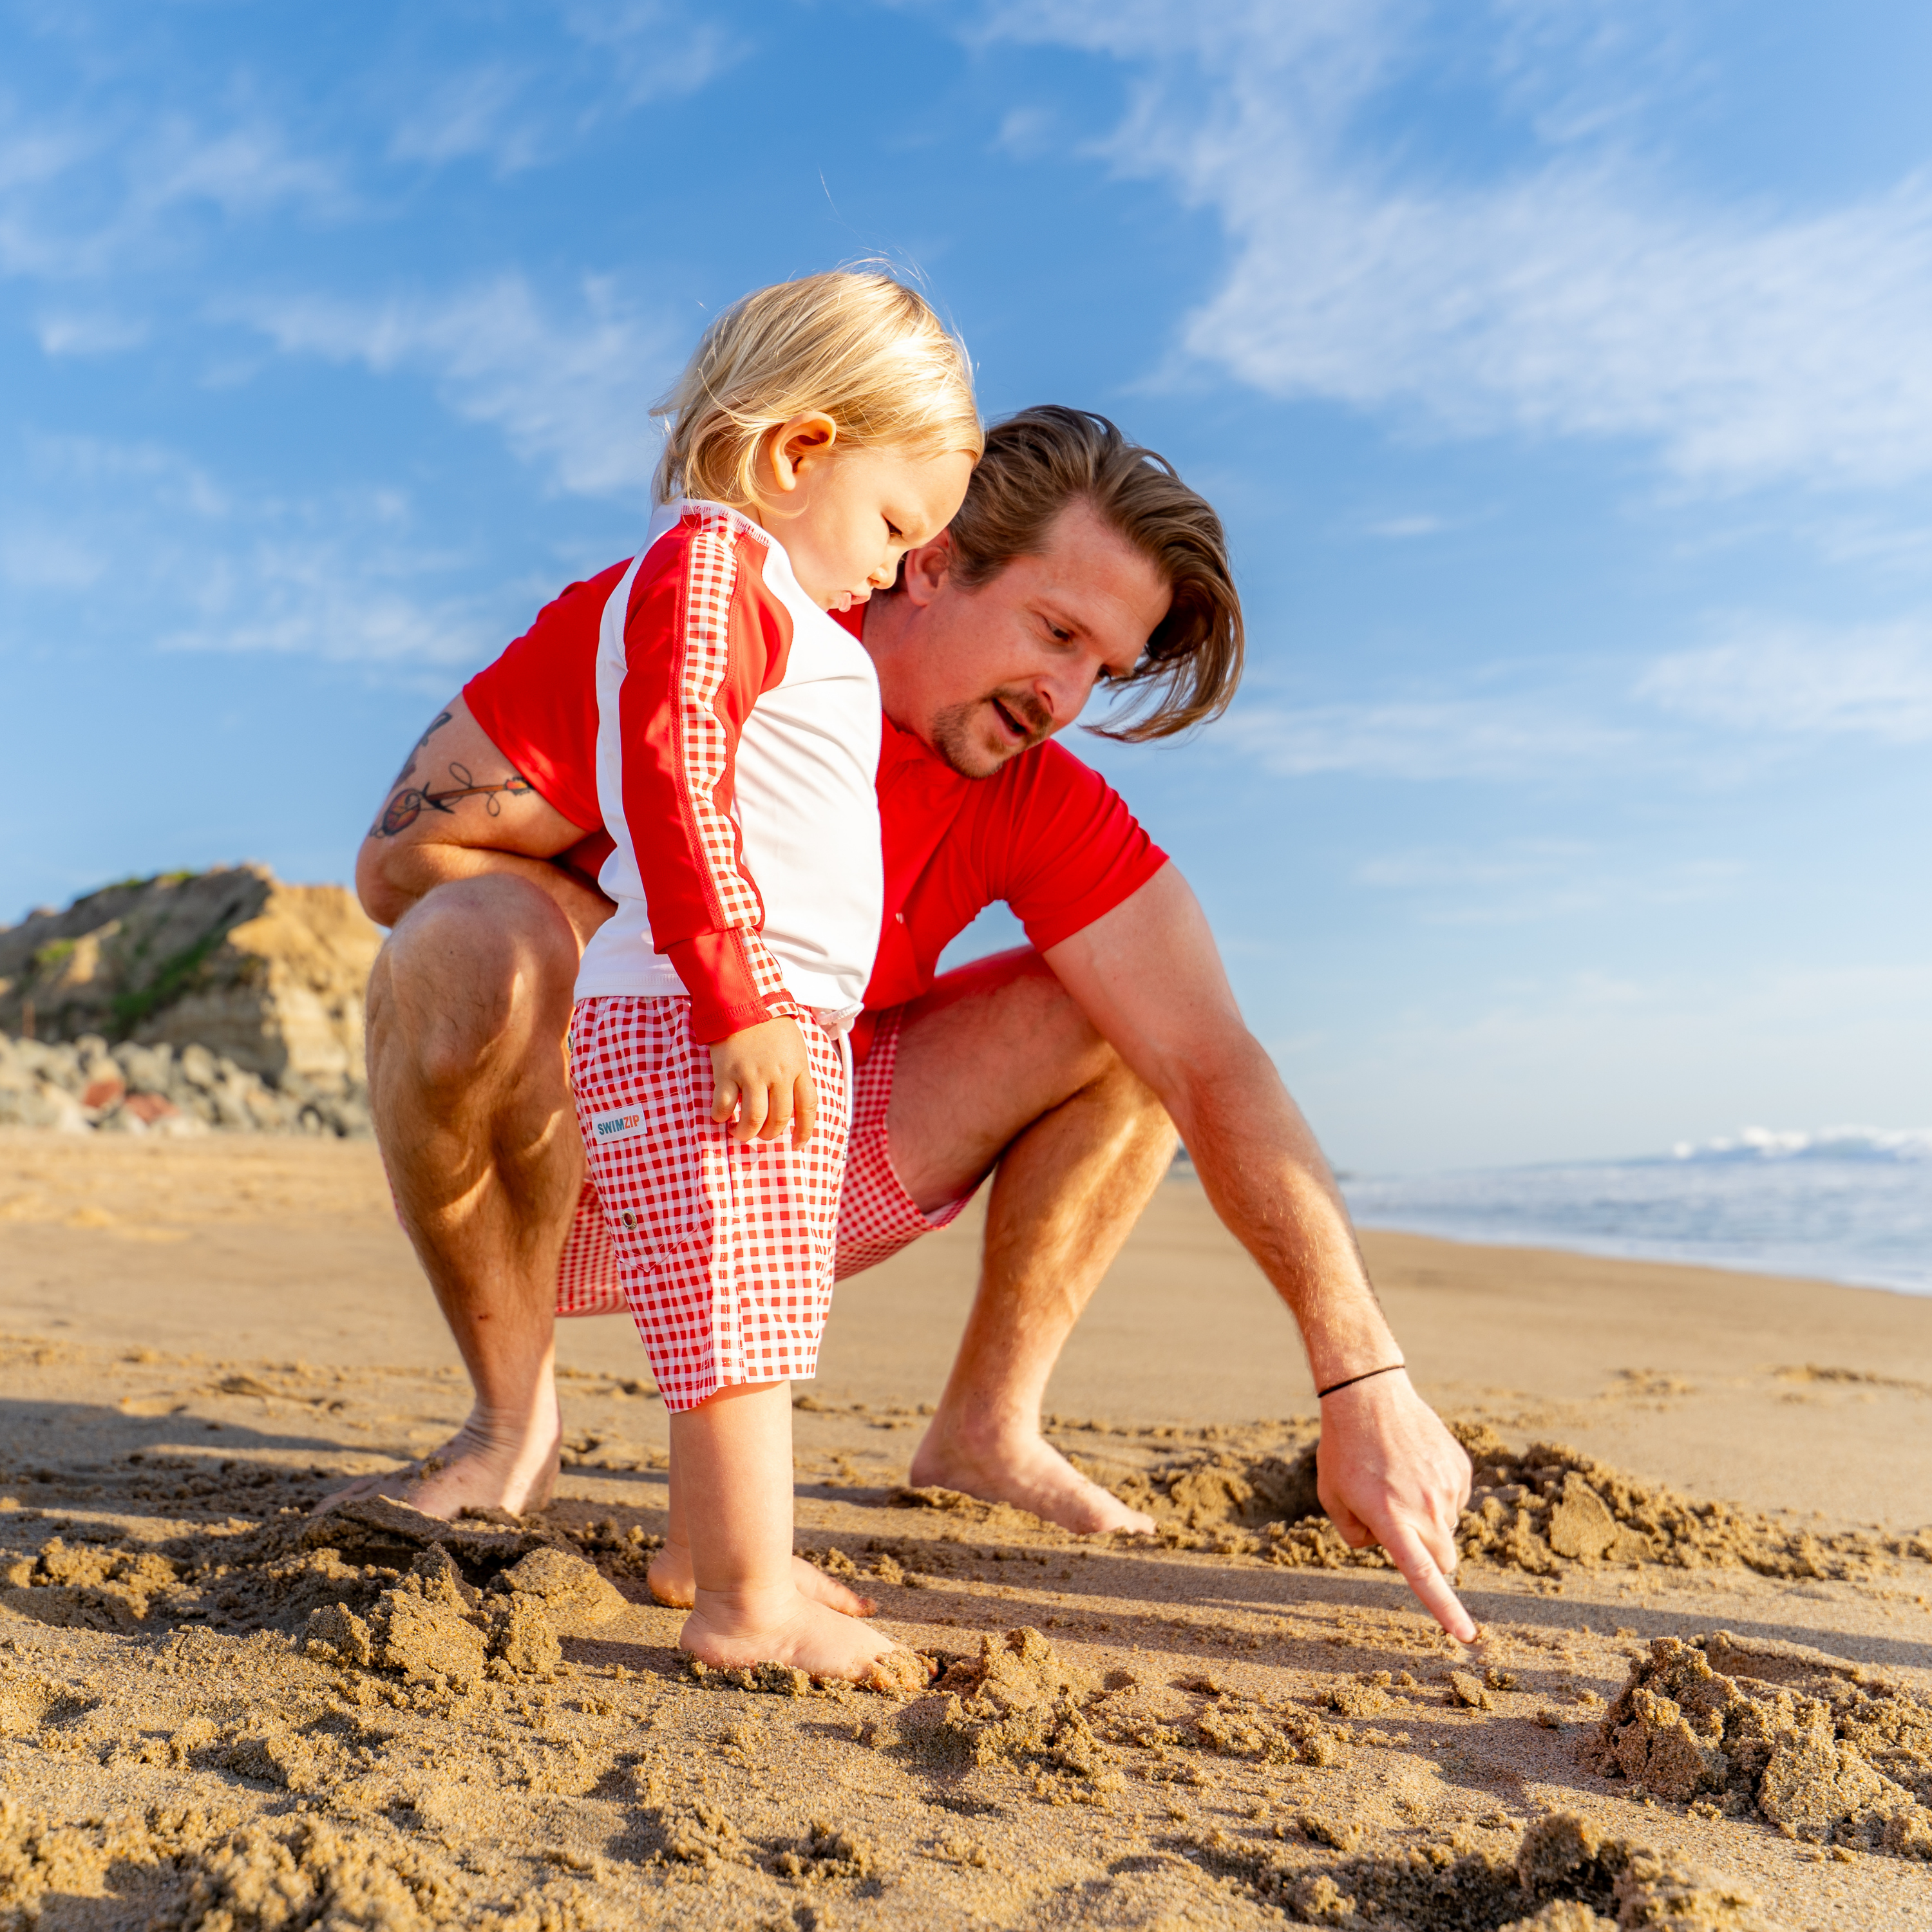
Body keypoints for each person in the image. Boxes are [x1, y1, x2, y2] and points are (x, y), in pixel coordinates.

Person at [352, 405, 1479, 1645]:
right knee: (468, 940)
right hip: (584, 1155)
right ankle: (513, 1425)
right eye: (1054, 631)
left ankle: (988, 1429)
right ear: (932, 559)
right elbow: (401, 862)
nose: (1064, 695)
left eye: (1099, 668)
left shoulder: (1033, 792)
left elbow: (1216, 1061)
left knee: (1122, 1019)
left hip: (793, 1147)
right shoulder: (690, 630)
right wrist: (689, 951)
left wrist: (1364, 1379)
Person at [560, 270, 978, 1685]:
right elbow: (676, 776)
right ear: (801, 453)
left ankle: (712, 1546)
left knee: (751, 1301)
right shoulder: (714, 570)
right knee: (734, 1315)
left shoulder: (778, 595)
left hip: (755, 1009)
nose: (901, 564)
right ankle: (741, 1604)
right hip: (702, 1009)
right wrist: (738, 1001)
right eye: (895, 524)